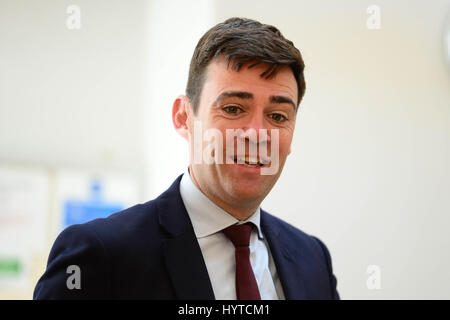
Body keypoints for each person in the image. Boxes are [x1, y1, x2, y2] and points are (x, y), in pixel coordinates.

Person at [34, 17, 339, 300]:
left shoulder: (313, 259)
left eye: (277, 116)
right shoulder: (101, 255)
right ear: (184, 117)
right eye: (233, 109)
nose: (257, 134)